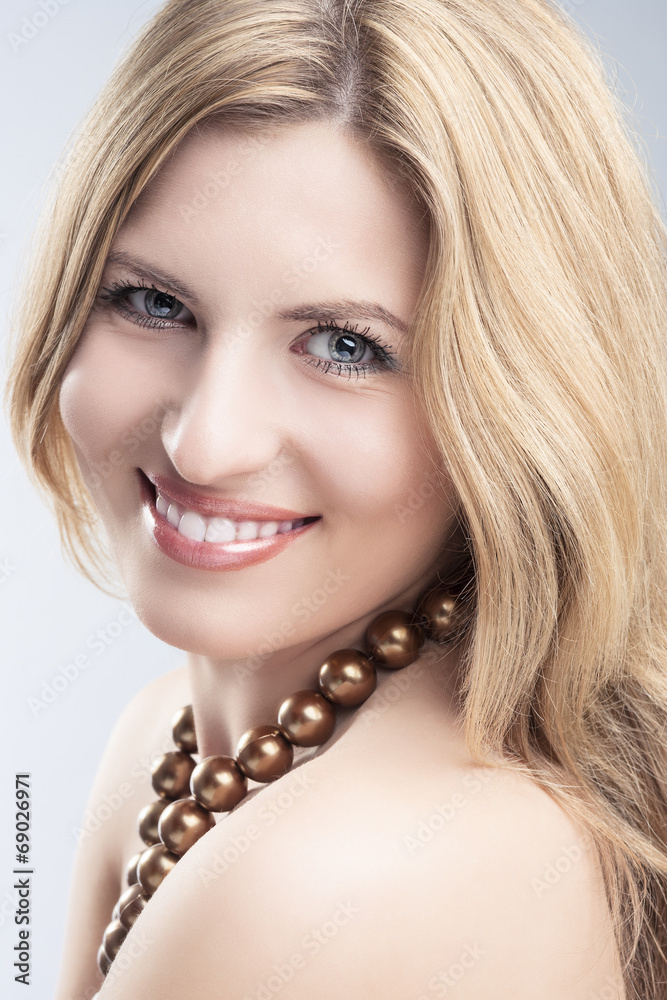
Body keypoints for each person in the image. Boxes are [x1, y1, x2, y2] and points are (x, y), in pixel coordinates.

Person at [6, 0, 667, 996]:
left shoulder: (311, 884)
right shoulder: (165, 737)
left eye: (345, 346)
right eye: (154, 301)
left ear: (525, 400)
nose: (205, 440)